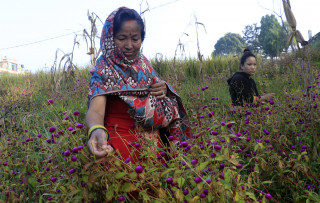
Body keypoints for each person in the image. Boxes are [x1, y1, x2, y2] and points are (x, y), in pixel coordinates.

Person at [85, 7, 191, 163]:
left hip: (154, 149)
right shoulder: (104, 67)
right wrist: (96, 130)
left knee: (157, 186)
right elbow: (95, 110)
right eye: (122, 38)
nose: (129, 45)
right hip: (120, 149)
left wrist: (164, 88)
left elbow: (156, 86)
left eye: (135, 39)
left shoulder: (144, 63)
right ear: (109, 38)